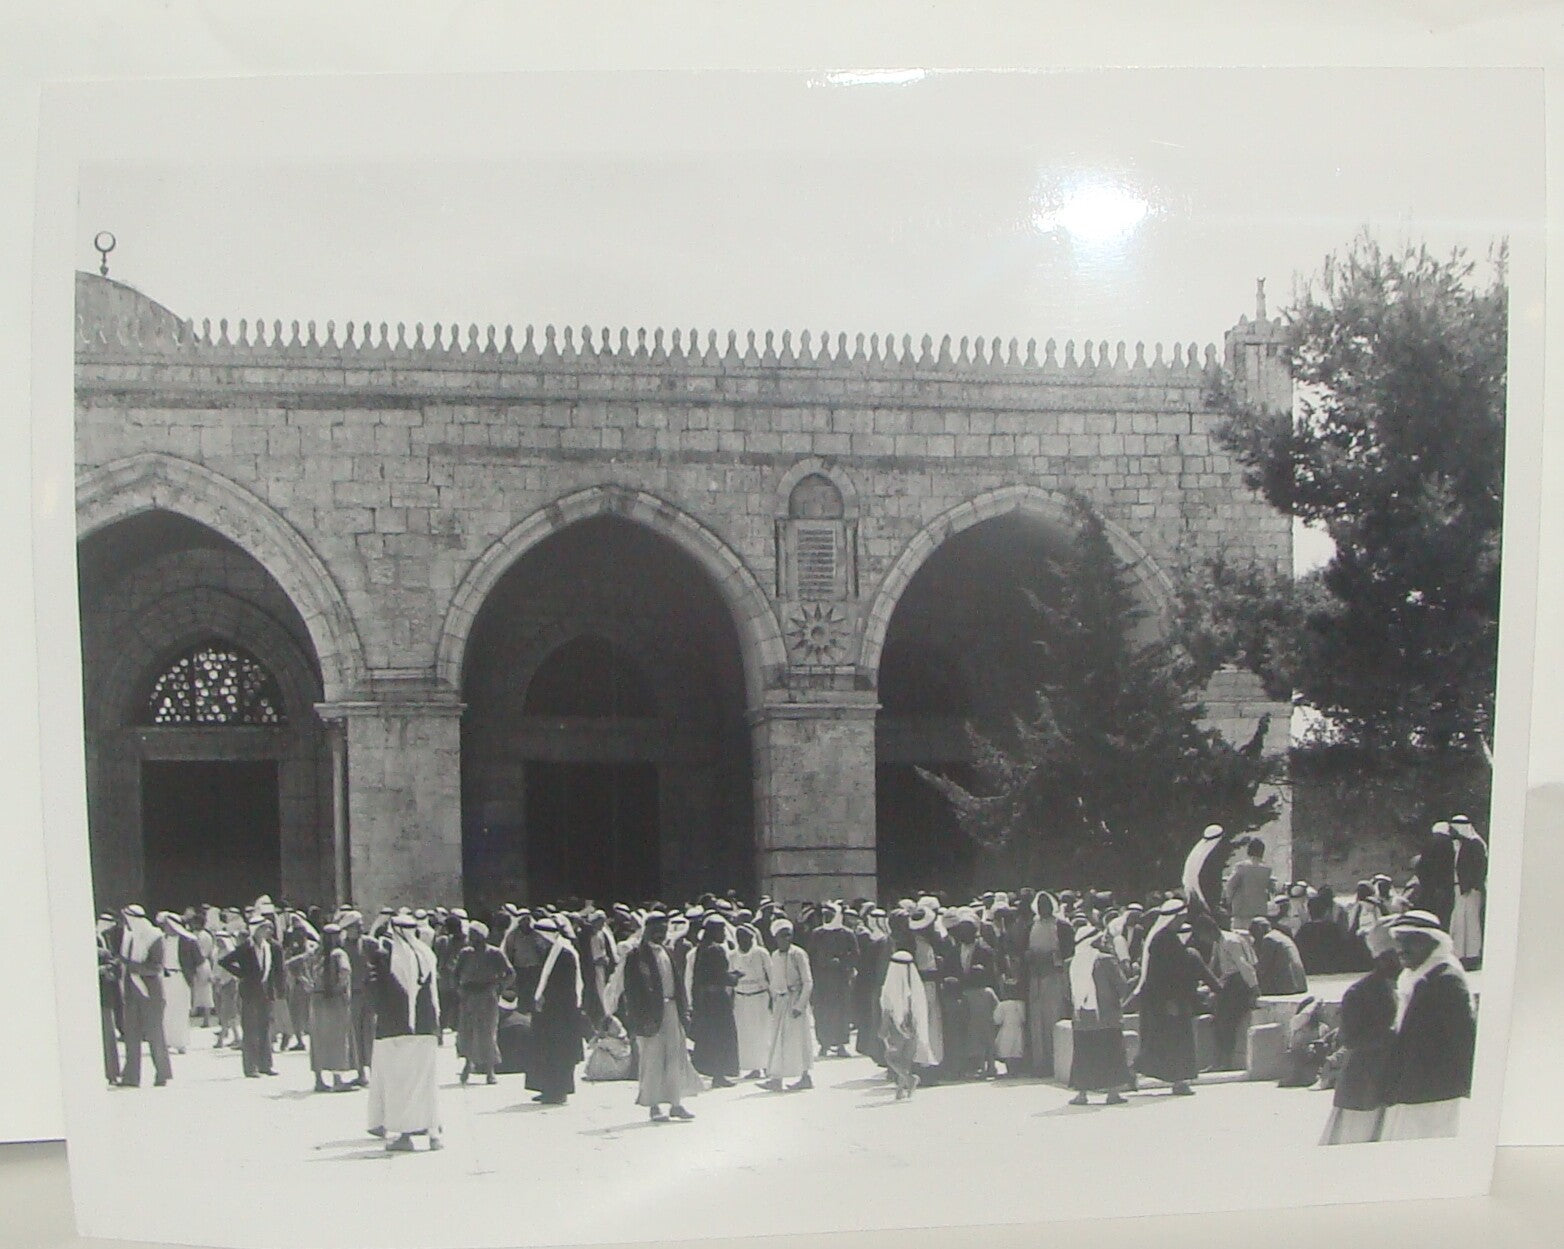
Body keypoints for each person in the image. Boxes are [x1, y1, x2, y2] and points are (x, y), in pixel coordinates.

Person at [1378, 910, 1477, 1141]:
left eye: (1411, 941)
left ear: (1432, 942)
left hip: (1437, 1093)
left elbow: (1464, 1040)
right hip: (1413, 1088)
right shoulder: (1414, 976)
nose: (1401, 949)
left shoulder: (1446, 980)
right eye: (1399, 941)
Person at [606, 912, 700, 1122]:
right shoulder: (635, 956)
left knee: (675, 1058)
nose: (661, 934)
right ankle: (654, 1106)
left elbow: (678, 984)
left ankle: (676, 1104)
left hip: (672, 1011)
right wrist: (639, 1019)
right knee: (652, 1061)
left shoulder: (667, 952)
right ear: (647, 930)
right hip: (650, 1016)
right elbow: (631, 992)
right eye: (657, 930)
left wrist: (684, 1011)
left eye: (664, 930)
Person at [367, 914, 443, 1151]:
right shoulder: (426, 954)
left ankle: (405, 1135)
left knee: (400, 1084)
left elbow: (375, 989)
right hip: (426, 1028)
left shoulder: (386, 955)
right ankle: (433, 1134)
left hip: (396, 1030)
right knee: (425, 1083)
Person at [1319, 921, 1400, 1145]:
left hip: (1391, 1082)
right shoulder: (1360, 992)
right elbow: (1350, 1038)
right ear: (1382, 957)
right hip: (1364, 1081)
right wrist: (1392, 1036)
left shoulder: (1406, 985)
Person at [1130, 900, 1221, 1096]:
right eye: (1180, 918)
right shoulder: (1162, 941)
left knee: (1171, 1043)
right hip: (1164, 1001)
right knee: (1163, 1042)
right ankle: (1148, 1077)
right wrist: (1168, 1001)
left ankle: (1179, 1081)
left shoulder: (1170, 940)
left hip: (1175, 1000)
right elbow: (1159, 976)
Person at [1066, 921, 1132, 1106]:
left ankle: (1082, 1094)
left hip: (1081, 1019)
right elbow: (1121, 986)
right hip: (1107, 1016)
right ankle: (1113, 1093)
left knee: (1084, 1055)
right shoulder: (1106, 960)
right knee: (1111, 1053)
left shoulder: (1070, 963)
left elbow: (1067, 992)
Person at [526, 915, 585, 1106]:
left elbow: (566, 987)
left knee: (559, 1052)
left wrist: (547, 999)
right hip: (549, 1012)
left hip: (561, 1012)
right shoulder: (548, 953)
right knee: (545, 1050)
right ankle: (547, 1088)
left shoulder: (565, 953)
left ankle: (559, 1091)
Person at [218, 914, 284, 1078]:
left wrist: (279, 990)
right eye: (262, 928)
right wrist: (242, 974)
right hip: (249, 993)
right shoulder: (245, 948)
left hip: (266, 993)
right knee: (250, 1029)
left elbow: (278, 971)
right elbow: (225, 961)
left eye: (267, 928)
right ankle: (250, 1067)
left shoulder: (273, 947)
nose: (266, 931)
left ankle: (266, 1065)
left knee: (265, 1028)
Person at [117, 905, 173, 1088]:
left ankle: (162, 1074)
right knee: (131, 1036)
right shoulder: (129, 937)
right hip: (131, 993)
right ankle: (131, 1077)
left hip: (150, 994)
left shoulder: (154, 937)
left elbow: (156, 967)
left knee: (155, 1035)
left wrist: (132, 967)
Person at [941, 908, 999, 1080]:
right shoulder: (953, 951)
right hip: (960, 996)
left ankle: (988, 1064)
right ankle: (965, 1065)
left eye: (967, 931)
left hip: (979, 995)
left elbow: (992, 976)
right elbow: (947, 971)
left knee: (983, 1030)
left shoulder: (985, 951)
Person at [454, 920, 513, 1086]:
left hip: (487, 995)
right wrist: (459, 989)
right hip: (468, 995)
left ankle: (489, 1071)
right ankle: (467, 1064)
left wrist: (499, 987)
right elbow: (456, 973)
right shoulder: (465, 953)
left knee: (486, 1032)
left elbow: (510, 973)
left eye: (474, 936)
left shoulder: (495, 953)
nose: (471, 939)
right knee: (466, 1031)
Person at [1197, 914, 1258, 1071]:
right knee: (1216, 1018)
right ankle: (1217, 1061)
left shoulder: (1230, 941)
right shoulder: (1218, 943)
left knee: (1226, 1021)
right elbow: (1213, 965)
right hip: (1228, 982)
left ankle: (1225, 1061)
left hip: (1239, 984)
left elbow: (1244, 965)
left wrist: (1254, 988)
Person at [761, 918, 816, 1092]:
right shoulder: (774, 956)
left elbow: (808, 982)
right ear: (776, 938)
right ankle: (776, 1078)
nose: (786, 939)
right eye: (782, 936)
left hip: (795, 999)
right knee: (777, 1040)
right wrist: (773, 999)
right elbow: (774, 980)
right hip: (780, 1001)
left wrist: (800, 1005)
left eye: (788, 935)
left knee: (800, 1040)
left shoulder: (798, 954)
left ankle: (805, 1076)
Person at [1024, 892, 1073, 1077]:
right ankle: (1040, 1063)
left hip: (1055, 978)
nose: (1044, 908)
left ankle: (1056, 1061)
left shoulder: (1062, 926)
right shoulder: (1032, 926)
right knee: (1037, 1022)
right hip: (1035, 978)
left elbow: (1069, 954)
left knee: (1054, 1019)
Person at [689, 915, 741, 1088]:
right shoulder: (716, 950)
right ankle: (719, 1074)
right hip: (717, 999)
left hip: (705, 1000)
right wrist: (735, 977)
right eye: (722, 930)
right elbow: (720, 976)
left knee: (710, 1037)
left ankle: (713, 1072)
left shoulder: (701, 949)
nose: (724, 934)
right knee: (722, 1036)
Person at [878, 949, 934, 1099]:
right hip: (912, 1025)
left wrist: (883, 1028)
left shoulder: (890, 983)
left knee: (891, 1057)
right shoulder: (916, 985)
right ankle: (900, 1090)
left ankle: (909, 1079)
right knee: (905, 1059)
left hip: (896, 1027)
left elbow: (888, 1007)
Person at [308, 922, 355, 1093]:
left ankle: (319, 1079)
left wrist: (309, 984)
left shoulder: (316, 954)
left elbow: (295, 965)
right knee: (337, 1038)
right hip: (334, 1001)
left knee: (318, 1039)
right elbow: (345, 972)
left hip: (317, 999)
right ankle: (337, 1079)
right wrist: (340, 989)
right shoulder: (339, 954)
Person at [808, 903, 857, 1059]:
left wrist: (842, 963)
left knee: (841, 1012)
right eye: (824, 915)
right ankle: (824, 1044)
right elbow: (810, 955)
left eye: (829, 914)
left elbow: (855, 954)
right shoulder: (817, 934)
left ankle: (841, 1044)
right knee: (822, 1012)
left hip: (840, 979)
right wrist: (822, 963)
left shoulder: (847, 934)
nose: (826, 917)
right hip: (822, 980)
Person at [731, 923, 773, 1079]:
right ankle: (754, 1068)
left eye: (747, 939)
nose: (744, 942)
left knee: (763, 1032)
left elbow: (771, 975)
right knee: (747, 1034)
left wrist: (773, 997)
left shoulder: (761, 953)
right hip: (741, 998)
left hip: (760, 997)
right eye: (740, 939)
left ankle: (767, 1066)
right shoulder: (732, 956)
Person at [156, 911, 200, 1056]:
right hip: (165, 977)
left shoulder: (189, 941)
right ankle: (167, 1042)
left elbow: (198, 961)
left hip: (181, 978)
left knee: (181, 1010)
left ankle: (181, 1043)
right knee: (166, 1011)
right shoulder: (162, 940)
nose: (166, 928)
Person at [340, 910, 376, 1087]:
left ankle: (374, 1071)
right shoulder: (341, 947)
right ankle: (360, 1071)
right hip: (351, 996)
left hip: (369, 995)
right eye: (356, 927)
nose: (360, 930)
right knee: (355, 1035)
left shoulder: (370, 944)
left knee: (371, 1033)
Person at [1450, 815, 1488, 968]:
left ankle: (1472, 955)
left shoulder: (1474, 844)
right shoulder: (1464, 844)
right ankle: (1462, 954)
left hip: (1470, 890)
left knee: (1471, 923)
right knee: (1461, 923)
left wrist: (1471, 885)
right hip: (1463, 888)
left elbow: (1479, 868)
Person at [1412, 821, 1457, 928]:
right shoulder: (1448, 842)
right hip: (1444, 886)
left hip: (1428, 886)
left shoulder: (1429, 842)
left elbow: (1422, 865)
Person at [1222, 838, 1275, 927]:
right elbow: (1271, 888)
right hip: (1259, 910)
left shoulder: (1241, 866)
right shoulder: (1267, 869)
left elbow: (1231, 885)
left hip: (1241, 910)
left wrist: (1228, 900)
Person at [1295, 894, 1351, 976]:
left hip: (1310, 970)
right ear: (1326, 911)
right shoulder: (1333, 929)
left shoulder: (1303, 930)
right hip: (1333, 970)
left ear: (1309, 911)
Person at [1250, 917, 1308, 995]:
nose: (1254, 938)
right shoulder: (1279, 935)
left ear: (1260, 929)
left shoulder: (1269, 939)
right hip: (1299, 985)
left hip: (1286, 986)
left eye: (1253, 933)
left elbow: (1262, 968)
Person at [96, 914, 122, 1086]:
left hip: (106, 995)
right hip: (100, 994)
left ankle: (111, 1072)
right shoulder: (98, 939)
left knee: (108, 1034)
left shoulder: (106, 938)